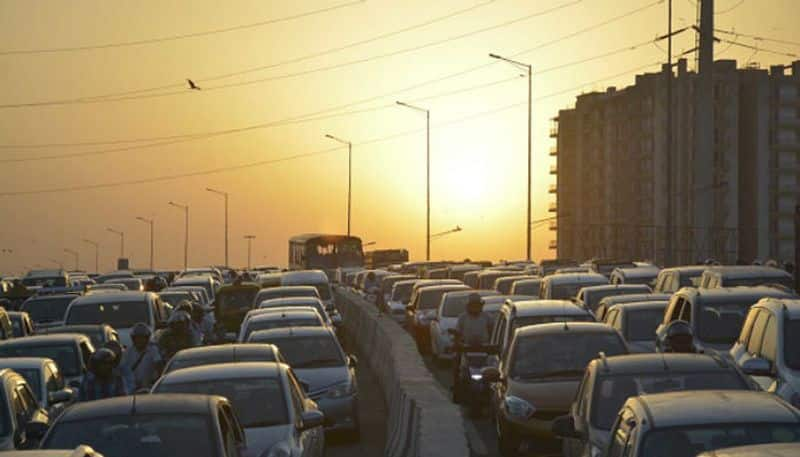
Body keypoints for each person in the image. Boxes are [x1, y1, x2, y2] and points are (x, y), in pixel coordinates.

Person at [451, 293, 493, 392]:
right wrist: (457, 344)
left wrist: (493, 345)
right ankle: (456, 385)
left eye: (477, 305)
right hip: (467, 349)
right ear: (468, 306)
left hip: (484, 350)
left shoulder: (487, 317)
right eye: (473, 305)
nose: (475, 308)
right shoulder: (462, 318)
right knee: (456, 360)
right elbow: (458, 333)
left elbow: (492, 332)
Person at [120, 323, 163, 391]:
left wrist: (156, 381)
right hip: (132, 387)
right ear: (133, 339)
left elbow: (158, 366)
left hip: (149, 386)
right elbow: (123, 370)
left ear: (147, 338)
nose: (140, 340)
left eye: (142, 338)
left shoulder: (153, 350)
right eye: (137, 338)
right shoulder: (128, 352)